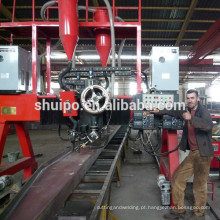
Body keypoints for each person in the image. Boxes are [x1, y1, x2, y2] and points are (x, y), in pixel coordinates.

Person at [151, 89, 213, 220]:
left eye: (192, 98)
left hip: (204, 154)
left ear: (198, 99)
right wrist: (159, 111)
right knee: (178, 177)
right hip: (193, 153)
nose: (190, 100)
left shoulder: (203, 112)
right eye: (188, 98)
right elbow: (175, 112)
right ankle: (179, 210)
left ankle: (199, 213)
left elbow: (208, 125)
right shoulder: (187, 110)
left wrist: (192, 119)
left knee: (199, 184)